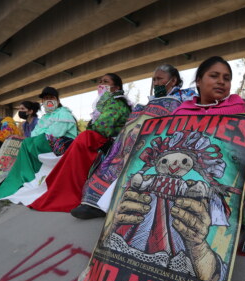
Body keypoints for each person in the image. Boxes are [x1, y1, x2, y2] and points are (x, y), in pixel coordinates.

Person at [107, 56, 245, 281]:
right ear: (198, 81)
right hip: (177, 189)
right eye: (214, 76)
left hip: (230, 184)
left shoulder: (244, 109)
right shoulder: (180, 112)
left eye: (226, 78)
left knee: (222, 216)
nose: (221, 82)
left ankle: (230, 239)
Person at [72, 64, 195, 219]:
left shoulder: (186, 98)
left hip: (164, 143)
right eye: (154, 79)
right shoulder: (152, 100)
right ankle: (94, 203)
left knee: (136, 158)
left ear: (173, 80)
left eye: (160, 79)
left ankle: (113, 204)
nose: (156, 83)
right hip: (139, 139)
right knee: (116, 156)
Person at [27, 74, 132, 212]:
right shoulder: (104, 103)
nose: (101, 84)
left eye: (106, 82)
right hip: (102, 140)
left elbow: (102, 128)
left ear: (116, 87)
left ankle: (72, 193)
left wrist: (89, 130)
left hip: (115, 144)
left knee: (85, 138)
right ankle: (58, 190)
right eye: (100, 81)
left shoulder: (117, 102)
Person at [0, 87, 78, 199]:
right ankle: (23, 177)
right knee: (27, 142)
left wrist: (44, 131)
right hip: (48, 142)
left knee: (34, 141)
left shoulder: (64, 113)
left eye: (51, 98)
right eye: (45, 99)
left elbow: (56, 132)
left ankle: (28, 176)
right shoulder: (45, 118)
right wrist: (45, 131)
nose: (48, 101)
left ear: (57, 100)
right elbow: (35, 134)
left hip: (65, 144)